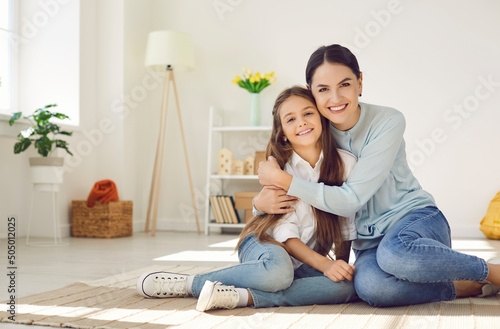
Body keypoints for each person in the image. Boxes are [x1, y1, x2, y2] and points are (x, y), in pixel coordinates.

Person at [254, 44, 500, 307]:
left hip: (415, 219)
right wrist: (259, 202)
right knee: (372, 289)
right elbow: (287, 175)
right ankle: (458, 287)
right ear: (311, 92)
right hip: (369, 242)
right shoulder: (311, 127)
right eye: (323, 89)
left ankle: (492, 272)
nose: (335, 98)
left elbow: (350, 200)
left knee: (395, 255)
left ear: (360, 83)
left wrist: (281, 180)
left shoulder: (388, 121)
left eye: (345, 84)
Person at [136, 86, 358, 312]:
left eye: (308, 113)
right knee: (279, 273)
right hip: (265, 241)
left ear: (321, 117)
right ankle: (190, 283)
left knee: (348, 287)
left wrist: (338, 266)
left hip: (305, 260)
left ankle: (244, 296)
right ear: (282, 132)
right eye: (290, 119)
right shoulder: (279, 170)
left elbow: (347, 224)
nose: (301, 122)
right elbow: (285, 235)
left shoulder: (346, 164)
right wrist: (325, 265)